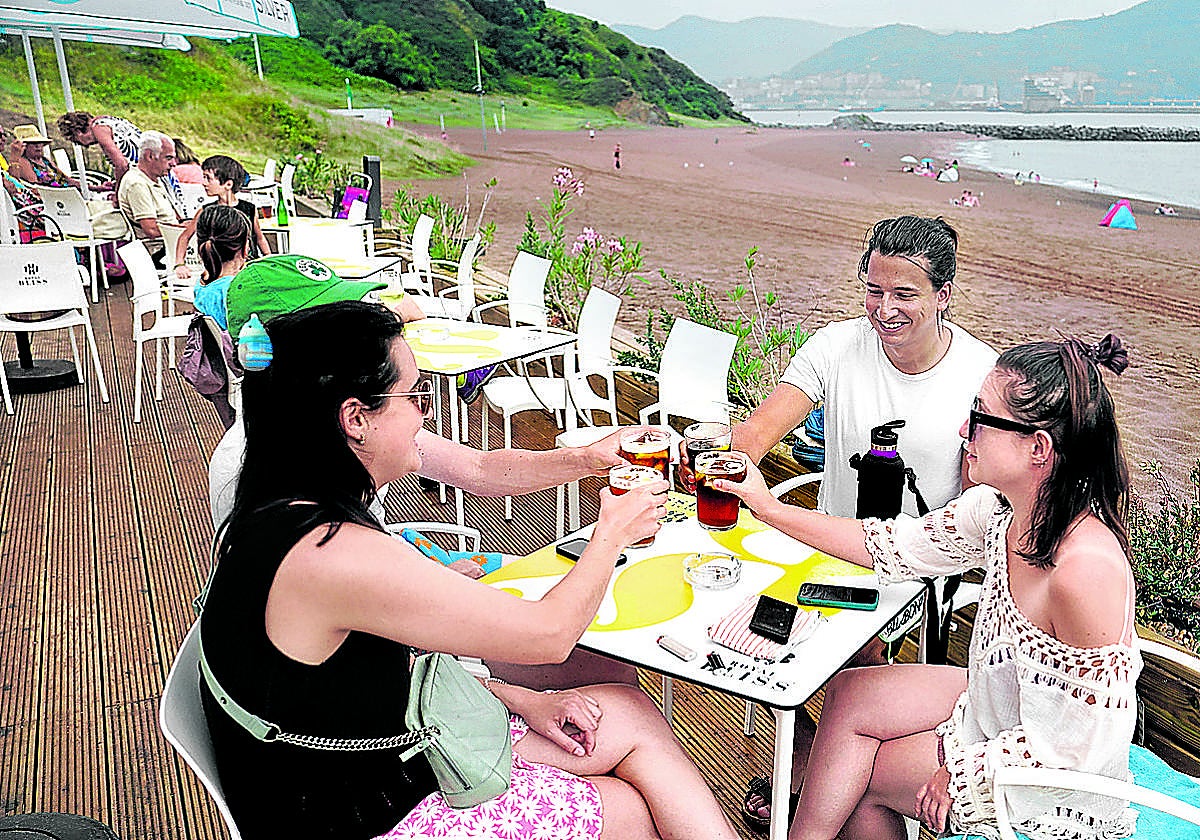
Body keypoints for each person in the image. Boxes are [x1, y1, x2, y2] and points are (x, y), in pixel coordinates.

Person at [200, 299, 740, 840]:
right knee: (628, 807)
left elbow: (360, 678)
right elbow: (549, 635)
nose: (427, 412)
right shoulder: (334, 551)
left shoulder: (279, 509)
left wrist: (524, 699)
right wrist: (611, 534)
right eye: (414, 396)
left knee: (629, 710)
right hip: (363, 808)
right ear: (356, 419)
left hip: (368, 755)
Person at [716, 335, 1139, 840]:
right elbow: (889, 544)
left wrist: (960, 772)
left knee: (856, 781)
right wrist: (771, 509)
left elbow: (1079, 746)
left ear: (1038, 449)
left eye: (981, 418)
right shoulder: (1000, 512)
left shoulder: (1084, 572)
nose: (965, 432)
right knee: (851, 693)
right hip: (1002, 706)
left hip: (1051, 785)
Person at [681, 215, 997, 827]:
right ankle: (809, 764)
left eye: (905, 294)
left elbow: (976, 506)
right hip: (829, 544)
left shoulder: (977, 376)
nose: (884, 309)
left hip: (927, 563)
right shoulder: (836, 346)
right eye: (873, 290)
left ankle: (816, 777)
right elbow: (754, 438)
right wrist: (714, 457)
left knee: (834, 646)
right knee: (756, 622)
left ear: (943, 296)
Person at [173, 155, 271, 280]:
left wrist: (268, 257)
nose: (203, 183)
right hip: (219, 272)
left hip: (248, 269)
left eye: (208, 178)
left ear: (228, 184)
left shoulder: (249, 209)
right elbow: (184, 237)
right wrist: (180, 264)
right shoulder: (206, 211)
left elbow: (259, 238)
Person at [117, 131, 180, 266]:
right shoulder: (137, 183)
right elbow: (151, 230)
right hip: (160, 251)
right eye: (168, 158)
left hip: (173, 244)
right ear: (150, 156)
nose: (173, 163)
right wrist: (184, 231)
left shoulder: (154, 178)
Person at [56, 111, 142, 186]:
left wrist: (117, 193)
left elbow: (122, 165)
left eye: (75, 140)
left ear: (78, 133)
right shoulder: (106, 121)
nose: (79, 145)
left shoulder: (98, 129)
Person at [6, 125, 78, 188]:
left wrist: (79, 184)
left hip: (68, 191)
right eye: (33, 143)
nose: (38, 146)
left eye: (40, 142)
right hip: (53, 197)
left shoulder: (45, 160)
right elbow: (36, 187)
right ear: (24, 146)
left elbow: (65, 178)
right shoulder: (24, 162)